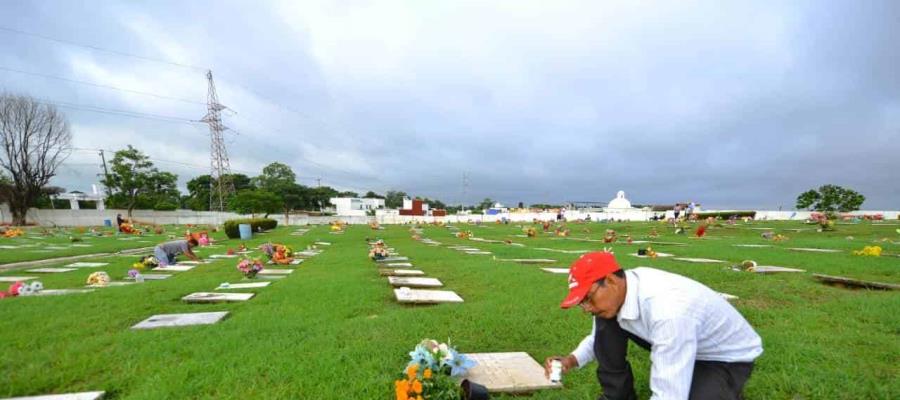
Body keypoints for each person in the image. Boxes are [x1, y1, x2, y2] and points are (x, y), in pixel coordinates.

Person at [545, 252, 762, 399]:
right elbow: (597, 340)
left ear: (610, 280)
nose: (586, 308)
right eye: (581, 303)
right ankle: (617, 396)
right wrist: (570, 360)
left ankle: (725, 386)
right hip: (682, 338)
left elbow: (669, 394)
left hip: (723, 358)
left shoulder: (668, 310)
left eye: (588, 298)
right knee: (606, 323)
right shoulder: (618, 294)